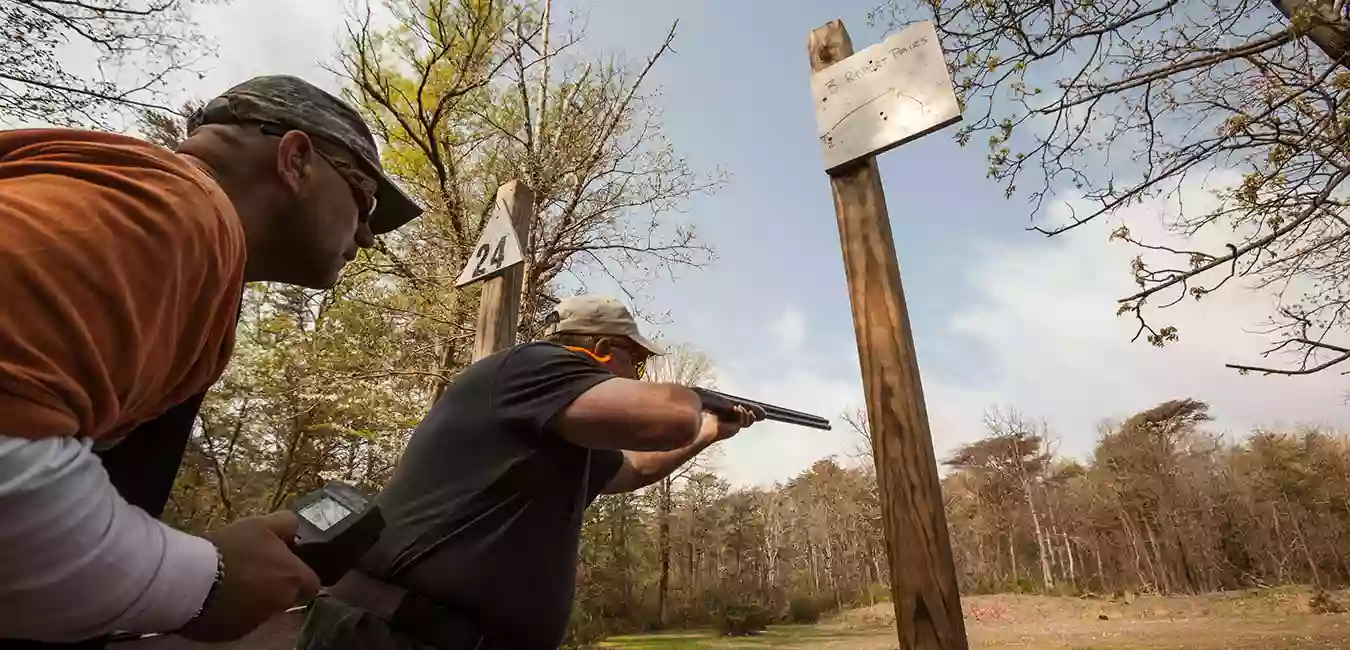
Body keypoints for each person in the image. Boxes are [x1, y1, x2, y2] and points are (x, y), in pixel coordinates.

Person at [0, 75, 424, 647]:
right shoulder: (169, 210)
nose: (368, 235)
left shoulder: (178, 235)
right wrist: (203, 579)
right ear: (296, 160)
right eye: (364, 201)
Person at [294, 295, 762, 650]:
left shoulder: (564, 429)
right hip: (391, 634)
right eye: (635, 361)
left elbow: (634, 468)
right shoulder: (532, 365)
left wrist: (707, 433)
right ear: (600, 349)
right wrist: (695, 401)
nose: (638, 375)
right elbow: (670, 417)